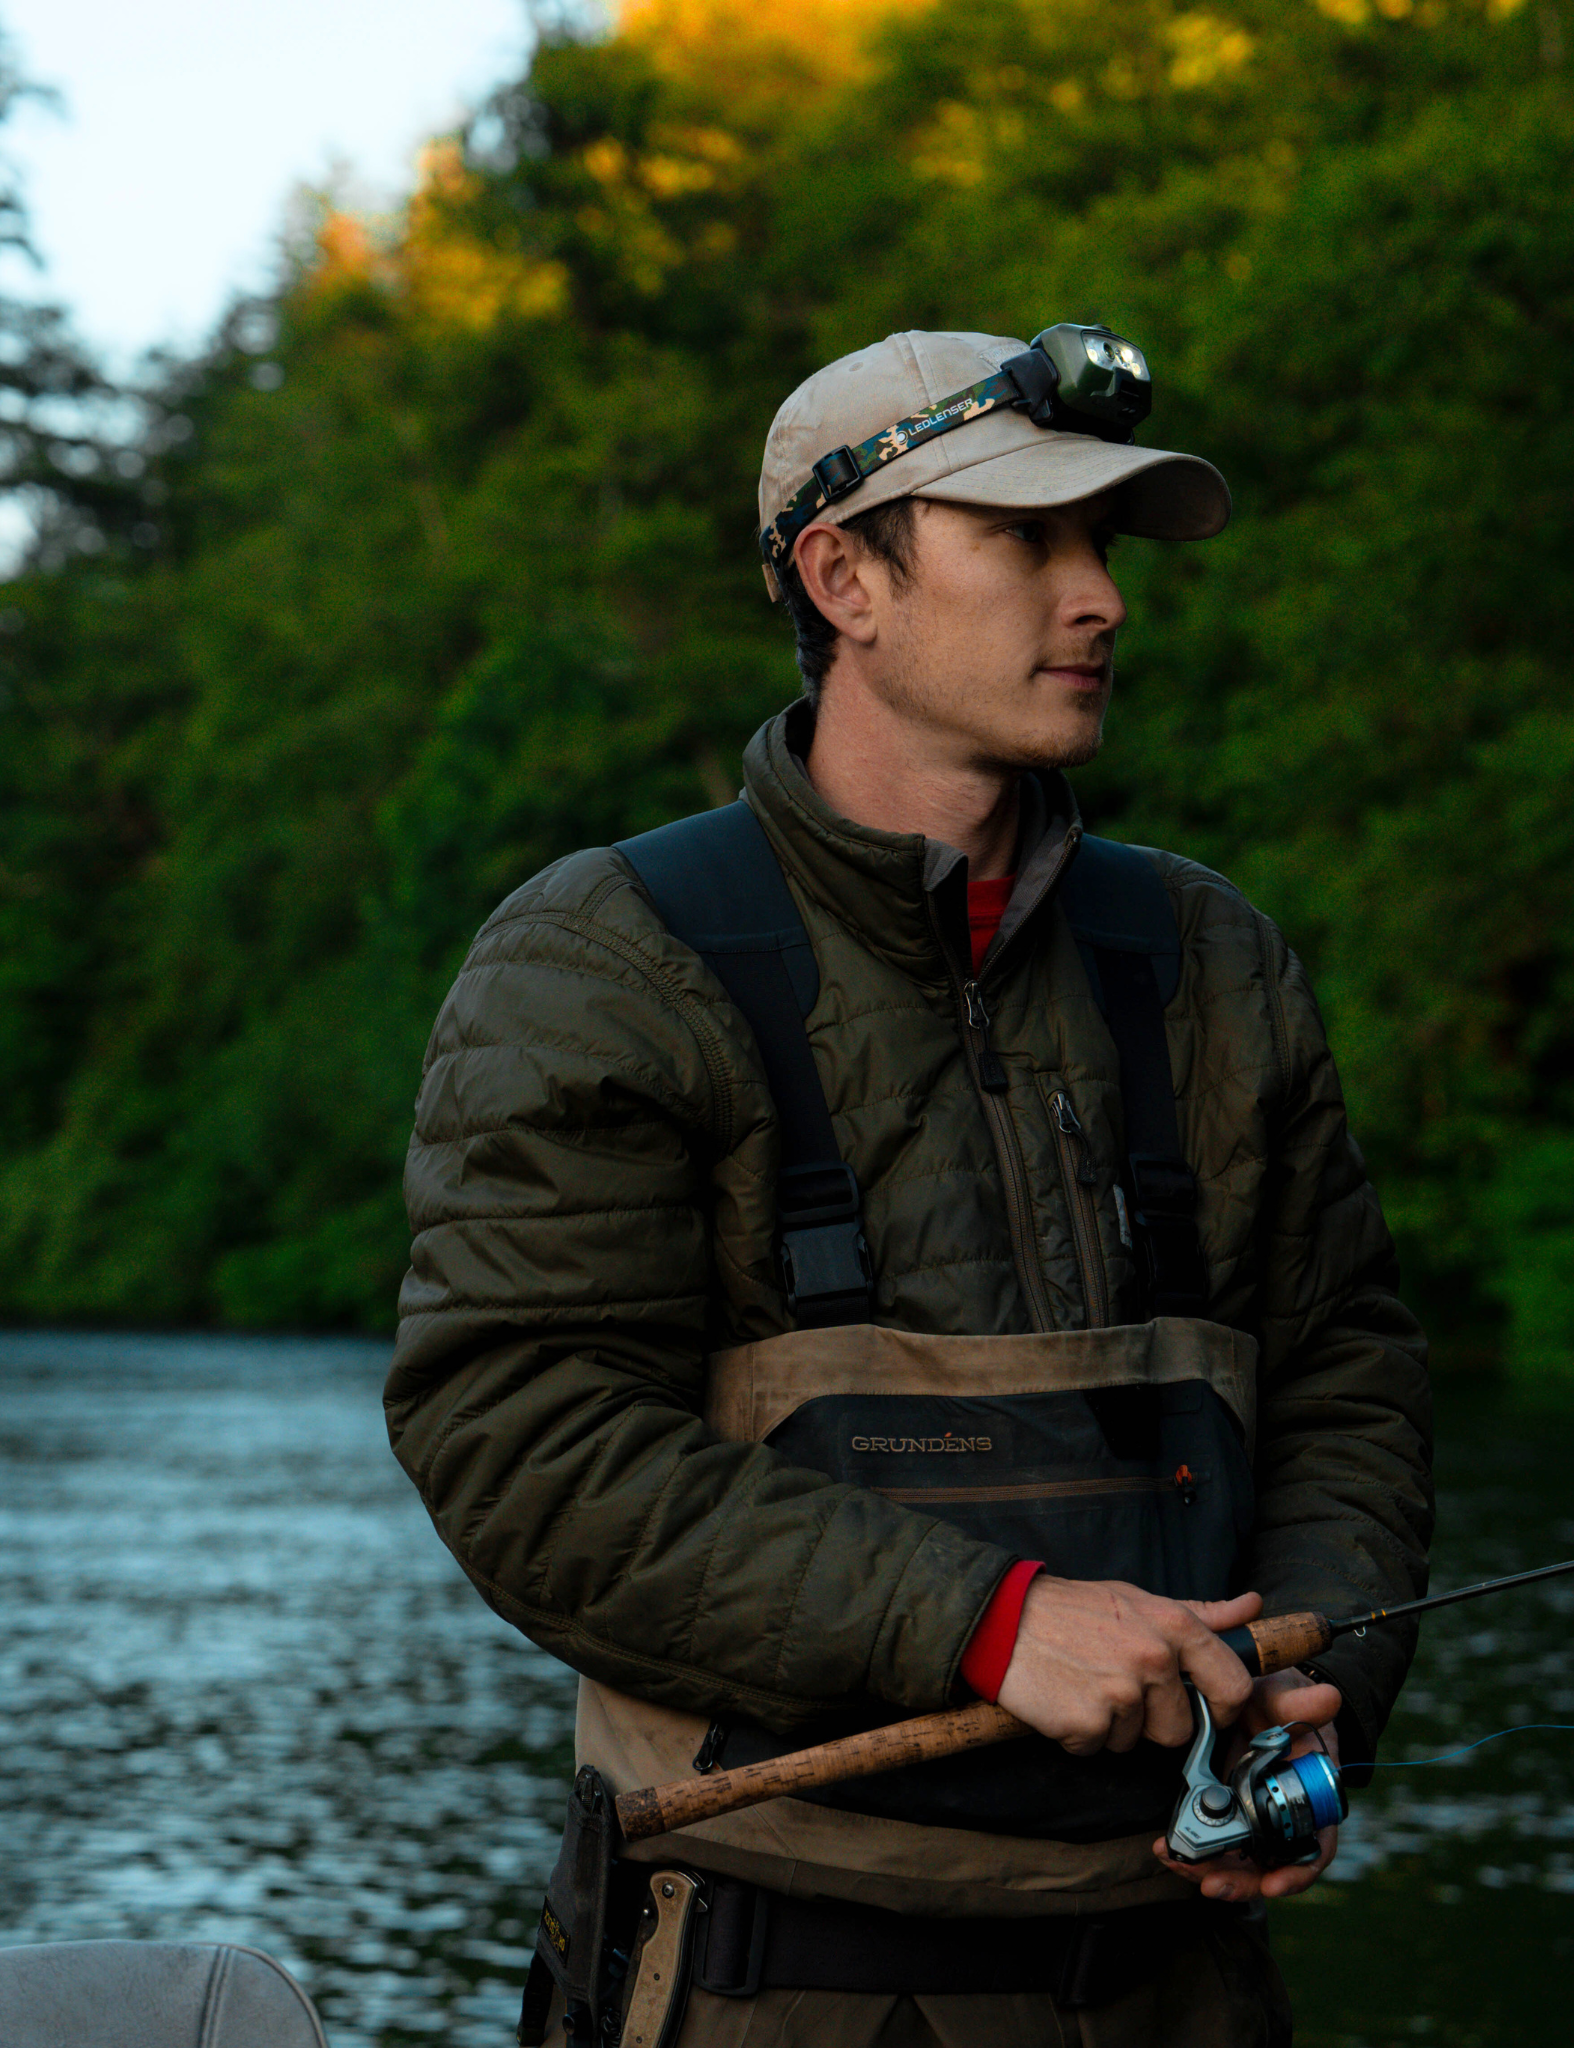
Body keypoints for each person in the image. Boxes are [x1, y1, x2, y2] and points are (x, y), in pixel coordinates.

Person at [385, 326, 1433, 2048]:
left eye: (1106, 545)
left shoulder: (1217, 959)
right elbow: (522, 1441)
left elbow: (1345, 1376)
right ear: (843, 577)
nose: (1099, 597)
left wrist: (1331, 1692)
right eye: (1028, 539)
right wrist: (987, 1623)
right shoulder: (600, 962)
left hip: (1184, 1988)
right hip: (759, 1986)